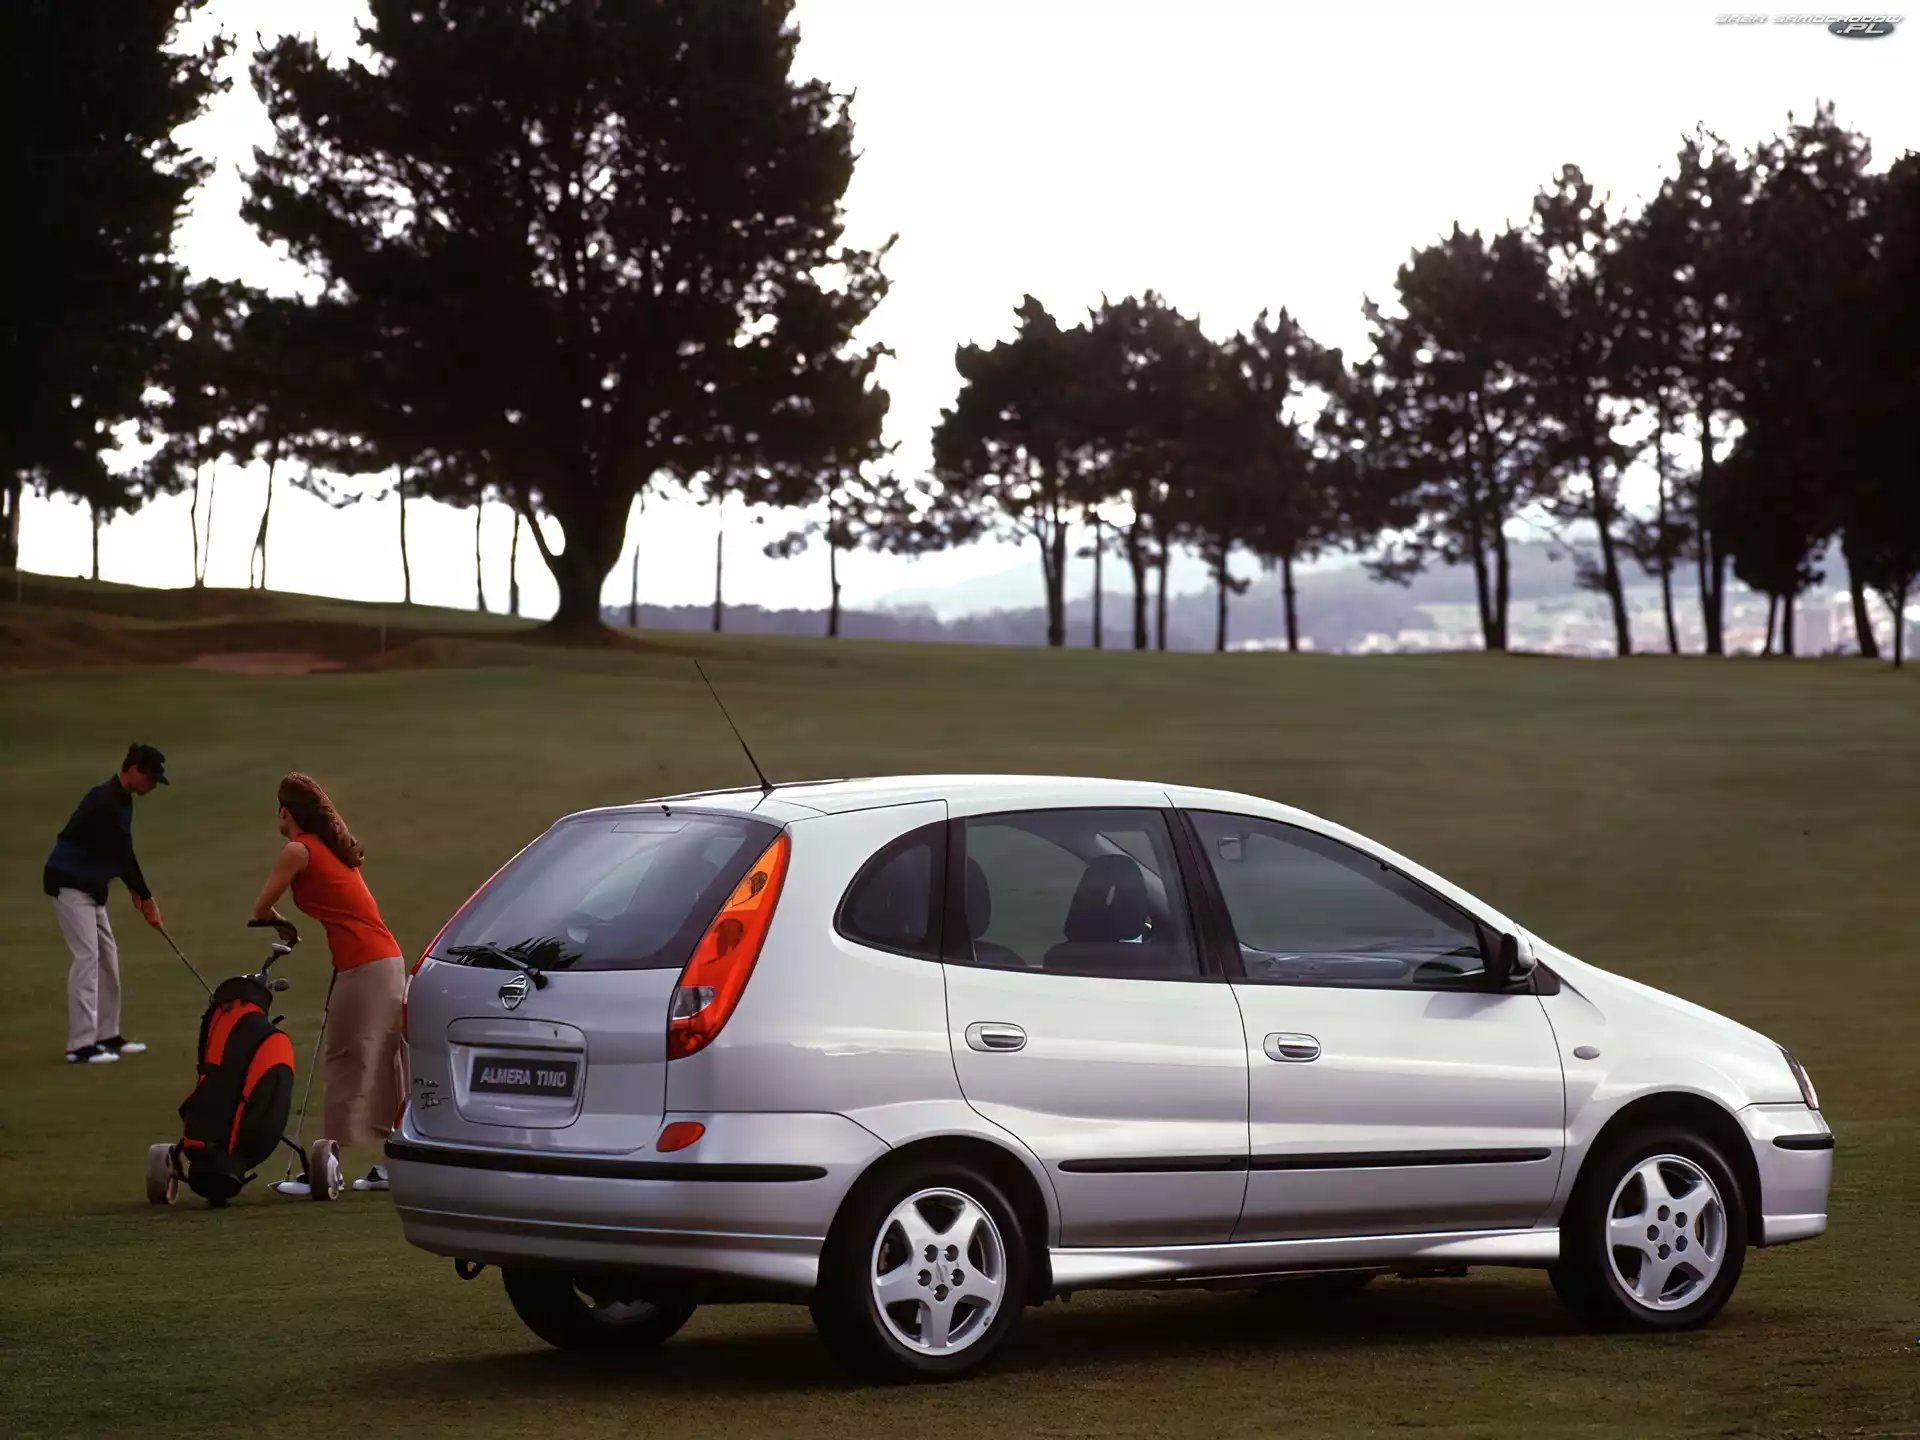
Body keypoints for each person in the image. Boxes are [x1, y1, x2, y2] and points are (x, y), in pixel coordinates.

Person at [251, 773, 405, 1196]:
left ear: (286, 812)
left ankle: (323, 1167)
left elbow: (261, 908)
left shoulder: (298, 850)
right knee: (384, 1062)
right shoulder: (329, 849)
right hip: (385, 960)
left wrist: (283, 926)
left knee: (345, 1059)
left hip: (364, 964)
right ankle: (394, 1165)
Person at [44, 744, 166, 1064]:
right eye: (151, 778)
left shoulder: (121, 799)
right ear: (134, 769)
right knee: (87, 958)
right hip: (68, 884)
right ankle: (80, 1046)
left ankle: (106, 1036)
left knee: (107, 959)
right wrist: (146, 897)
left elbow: (118, 853)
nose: (152, 786)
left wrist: (138, 893)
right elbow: (124, 854)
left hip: (90, 888)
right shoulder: (105, 801)